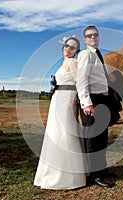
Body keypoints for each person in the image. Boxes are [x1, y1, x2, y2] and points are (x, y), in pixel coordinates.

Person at [34, 37, 86, 190]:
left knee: (65, 132)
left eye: (73, 47)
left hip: (67, 100)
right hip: (58, 99)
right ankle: (51, 171)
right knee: (55, 132)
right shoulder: (63, 64)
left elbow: (80, 83)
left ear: (76, 51)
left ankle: (70, 176)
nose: (68, 49)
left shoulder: (73, 63)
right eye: (67, 45)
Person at [76, 26, 116, 188]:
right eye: (89, 36)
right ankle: (94, 175)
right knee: (93, 139)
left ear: (99, 37)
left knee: (102, 137)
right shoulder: (86, 54)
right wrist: (86, 103)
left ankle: (102, 169)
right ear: (85, 40)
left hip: (102, 100)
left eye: (95, 35)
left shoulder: (97, 55)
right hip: (92, 101)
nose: (92, 37)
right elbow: (81, 79)